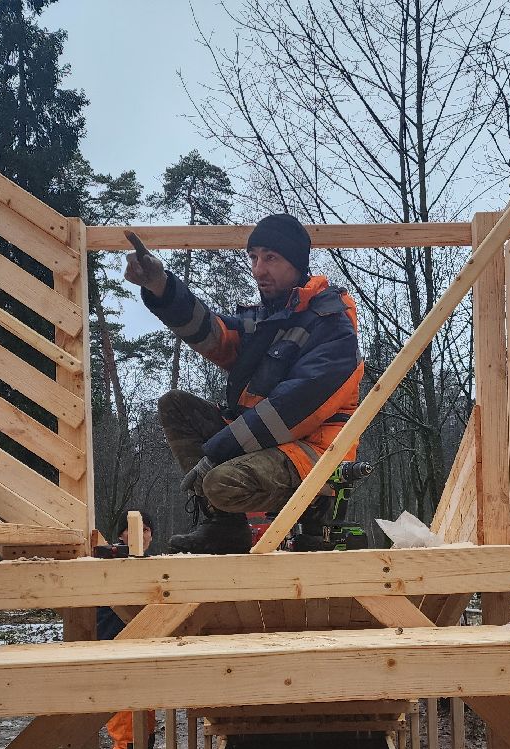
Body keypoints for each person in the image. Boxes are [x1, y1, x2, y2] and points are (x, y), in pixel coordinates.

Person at [124, 214, 363, 554]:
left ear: (296, 263)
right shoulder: (269, 319)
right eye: (253, 257)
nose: (258, 270)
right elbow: (215, 335)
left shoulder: (332, 325)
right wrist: (162, 287)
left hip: (316, 452)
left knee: (222, 483)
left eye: (271, 258)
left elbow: (288, 411)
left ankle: (314, 510)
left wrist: (215, 454)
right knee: (176, 405)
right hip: (269, 443)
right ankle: (223, 529)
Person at [96, 510, 157, 749]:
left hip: (143, 655)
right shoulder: (111, 563)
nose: (140, 535)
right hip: (116, 654)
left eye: (145, 530)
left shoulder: (153, 565)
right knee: (127, 739)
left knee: (146, 733)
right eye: (133, 529)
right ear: (120, 534)